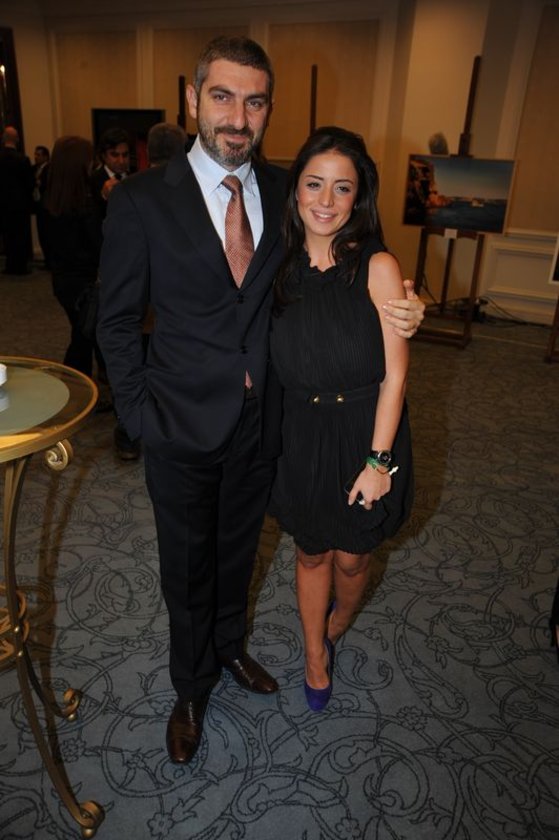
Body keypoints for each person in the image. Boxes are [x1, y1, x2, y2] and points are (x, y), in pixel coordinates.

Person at [97, 36, 424, 767]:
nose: (237, 117)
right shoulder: (143, 199)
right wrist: (139, 417)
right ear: (193, 99)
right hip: (178, 422)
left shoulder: (286, 191)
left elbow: (349, 263)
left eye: (254, 102)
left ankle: (229, 647)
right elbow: (114, 321)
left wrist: (409, 305)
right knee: (187, 565)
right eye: (222, 97)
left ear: (268, 109)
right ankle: (191, 686)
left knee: (240, 552)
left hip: (267, 422)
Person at [269, 126, 414, 711]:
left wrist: (379, 462)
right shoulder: (274, 267)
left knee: (352, 558)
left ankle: (336, 623)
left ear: (359, 197)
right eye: (314, 184)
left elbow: (395, 376)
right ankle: (314, 653)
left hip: (364, 430)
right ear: (295, 190)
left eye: (342, 187)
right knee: (311, 552)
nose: (326, 201)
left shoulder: (377, 266)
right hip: (300, 433)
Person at [44, 136, 104, 377]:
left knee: (83, 334)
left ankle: (81, 382)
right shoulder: (84, 204)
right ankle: (74, 385)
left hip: (61, 281)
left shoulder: (50, 202)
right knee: (83, 338)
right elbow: (98, 245)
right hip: (84, 283)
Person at [0, 126, 34, 275]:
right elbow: (30, 183)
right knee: (21, 234)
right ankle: (20, 265)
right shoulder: (22, 159)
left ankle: (10, 264)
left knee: (8, 235)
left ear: (3, 139)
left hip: (3, 203)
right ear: (17, 139)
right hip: (20, 204)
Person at [90, 127, 132, 216]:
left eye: (125, 155)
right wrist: (104, 197)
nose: (121, 161)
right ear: (103, 156)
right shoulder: (92, 181)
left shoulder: (136, 177)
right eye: (115, 155)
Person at [31, 145, 51, 268]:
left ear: (45, 157)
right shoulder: (34, 169)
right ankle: (47, 260)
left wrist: (40, 183)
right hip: (38, 206)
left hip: (46, 207)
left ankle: (50, 261)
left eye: (38, 155)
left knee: (47, 234)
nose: (36, 157)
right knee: (41, 234)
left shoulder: (49, 169)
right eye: (35, 154)